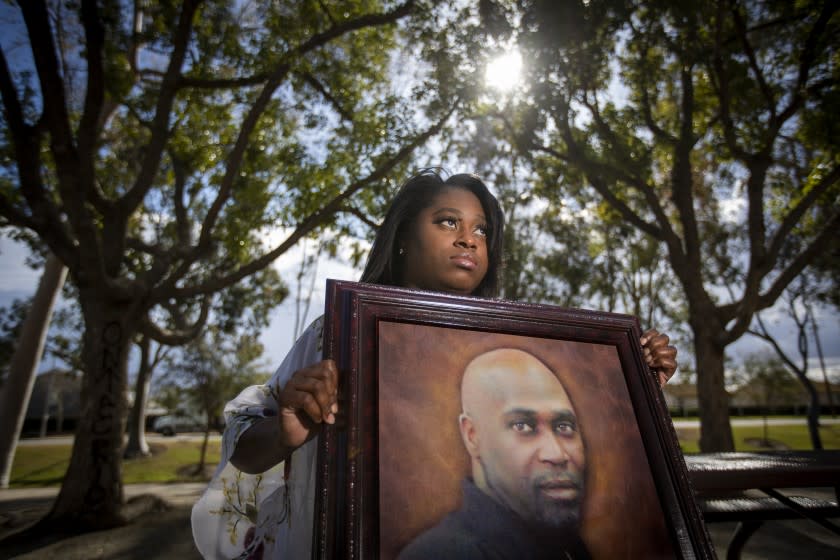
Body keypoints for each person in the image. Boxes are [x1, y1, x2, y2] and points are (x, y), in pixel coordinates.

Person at [191, 170, 678, 559]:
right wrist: (285, 433)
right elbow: (248, 453)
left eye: (481, 230)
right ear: (403, 236)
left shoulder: (515, 343)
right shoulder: (336, 334)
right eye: (448, 222)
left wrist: (635, 379)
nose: (469, 239)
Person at [398, 348, 590, 560]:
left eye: (564, 427)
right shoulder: (439, 554)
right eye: (522, 426)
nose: (557, 454)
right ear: (472, 436)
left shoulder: (567, 548)